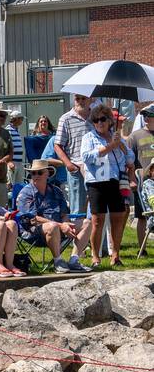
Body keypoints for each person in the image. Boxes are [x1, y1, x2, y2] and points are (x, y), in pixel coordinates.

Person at [79, 104, 134, 270]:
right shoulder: (89, 137)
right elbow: (86, 157)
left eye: (103, 119)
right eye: (96, 120)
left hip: (115, 181)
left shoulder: (117, 137)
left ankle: (115, 254)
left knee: (117, 218)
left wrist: (120, 144)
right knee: (97, 220)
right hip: (96, 182)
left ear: (110, 121)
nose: (99, 122)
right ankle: (95, 257)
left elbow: (130, 159)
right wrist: (109, 147)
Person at [16, 159, 80, 273]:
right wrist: (61, 225)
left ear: (47, 174)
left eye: (39, 172)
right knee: (52, 226)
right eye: (33, 173)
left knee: (86, 223)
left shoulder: (56, 191)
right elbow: (32, 218)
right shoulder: (25, 193)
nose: (35, 176)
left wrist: (65, 223)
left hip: (58, 229)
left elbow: (64, 213)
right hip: (33, 232)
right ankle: (58, 261)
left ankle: (74, 260)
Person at [53, 92, 97, 231]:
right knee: (78, 208)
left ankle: (96, 244)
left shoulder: (97, 118)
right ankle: (78, 244)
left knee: (96, 207)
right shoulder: (66, 118)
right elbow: (57, 144)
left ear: (90, 99)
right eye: (77, 98)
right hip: (76, 167)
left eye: (83, 98)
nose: (80, 101)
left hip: (96, 168)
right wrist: (69, 164)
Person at [126, 105, 154, 250]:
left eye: (149, 115)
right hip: (143, 184)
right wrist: (132, 179)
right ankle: (142, 248)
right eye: (145, 115)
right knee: (142, 216)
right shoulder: (135, 136)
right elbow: (129, 160)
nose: (146, 118)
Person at [7, 108, 27, 175]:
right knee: (12, 184)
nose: (22, 121)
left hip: (19, 162)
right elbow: (6, 147)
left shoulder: (17, 130)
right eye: (21, 119)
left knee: (19, 184)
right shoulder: (8, 130)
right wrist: (9, 162)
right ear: (17, 119)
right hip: (12, 163)